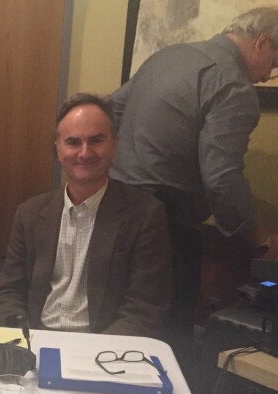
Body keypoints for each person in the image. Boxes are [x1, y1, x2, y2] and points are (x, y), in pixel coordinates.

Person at [110, 6, 278, 345]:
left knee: (113, 316)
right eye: (275, 63)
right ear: (261, 43)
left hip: (112, 206)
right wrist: (260, 240)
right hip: (166, 224)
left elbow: (113, 108)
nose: (269, 75)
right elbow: (222, 179)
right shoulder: (235, 88)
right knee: (168, 335)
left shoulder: (170, 55)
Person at [0, 93, 171, 337]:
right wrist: (20, 337)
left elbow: (143, 310)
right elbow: (8, 292)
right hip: (35, 338)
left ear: (114, 144)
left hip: (102, 348)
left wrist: (93, 353)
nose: (85, 153)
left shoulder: (145, 215)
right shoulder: (30, 213)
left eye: (96, 140)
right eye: (73, 142)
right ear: (58, 149)